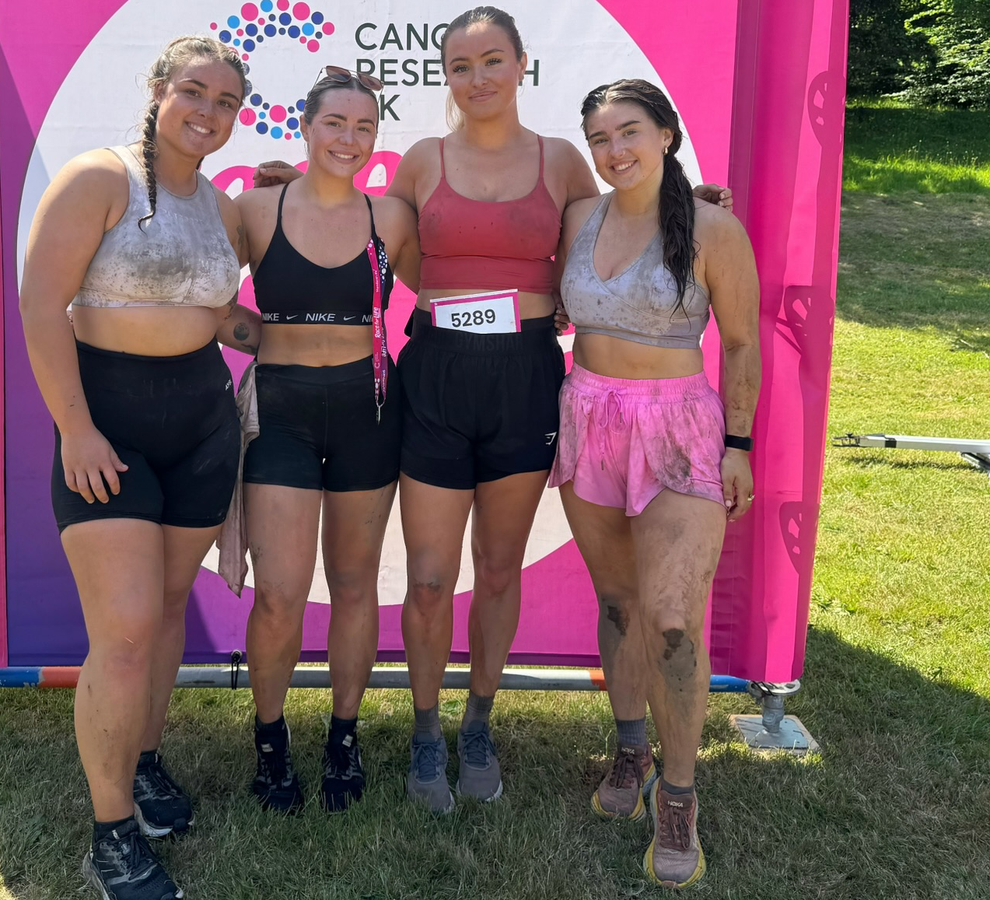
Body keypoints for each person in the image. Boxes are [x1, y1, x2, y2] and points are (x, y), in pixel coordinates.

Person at [255, 6, 730, 813]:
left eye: (492, 61)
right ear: (445, 76)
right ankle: (427, 729)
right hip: (436, 375)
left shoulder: (560, 162)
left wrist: (687, 201)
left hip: (524, 377)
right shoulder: (421, 162)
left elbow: (620, 222)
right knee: (430, 578)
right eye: (461, 66)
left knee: (499, 569)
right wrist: (290, 191)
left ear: (520, 66)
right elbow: (370, 235)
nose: (477, 79)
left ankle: (478, 722)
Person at [19, 35, 259, 900]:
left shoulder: (224, 208)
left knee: (162, 613)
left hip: (201, 424)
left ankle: (145, 759)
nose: (208, 112)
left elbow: (220, 314)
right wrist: (75, 429)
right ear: (159, 90)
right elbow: (40, 305)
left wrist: (299, 337)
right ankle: (111, 834)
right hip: (108, 426)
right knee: (122, 632)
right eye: (194, 91)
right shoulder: (99, 178)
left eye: (226, 102)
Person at [551, 78, 759, 889]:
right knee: (619, 605)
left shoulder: (713, 229)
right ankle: (630, 747)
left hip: (679, 431)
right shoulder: (579, 215)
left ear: (666, 133)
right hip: (589, 418)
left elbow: (739, 344)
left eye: (629, 132)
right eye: (600, 139)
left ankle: (678, 794)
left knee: (672, 621)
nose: (614, 151)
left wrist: (737, 444)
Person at [237, 67, 420, 815]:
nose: (349, 138)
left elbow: (458, 282)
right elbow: (193, 285)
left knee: (353, 585)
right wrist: (253, 333)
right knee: (280, 594)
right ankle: (270, 737)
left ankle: (344, 735)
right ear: (305, 127)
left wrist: (677, 209)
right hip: (280, 410)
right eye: (334, 124)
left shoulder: (393, 216)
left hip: (366, 410)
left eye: (364, 126)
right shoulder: (255, 209)